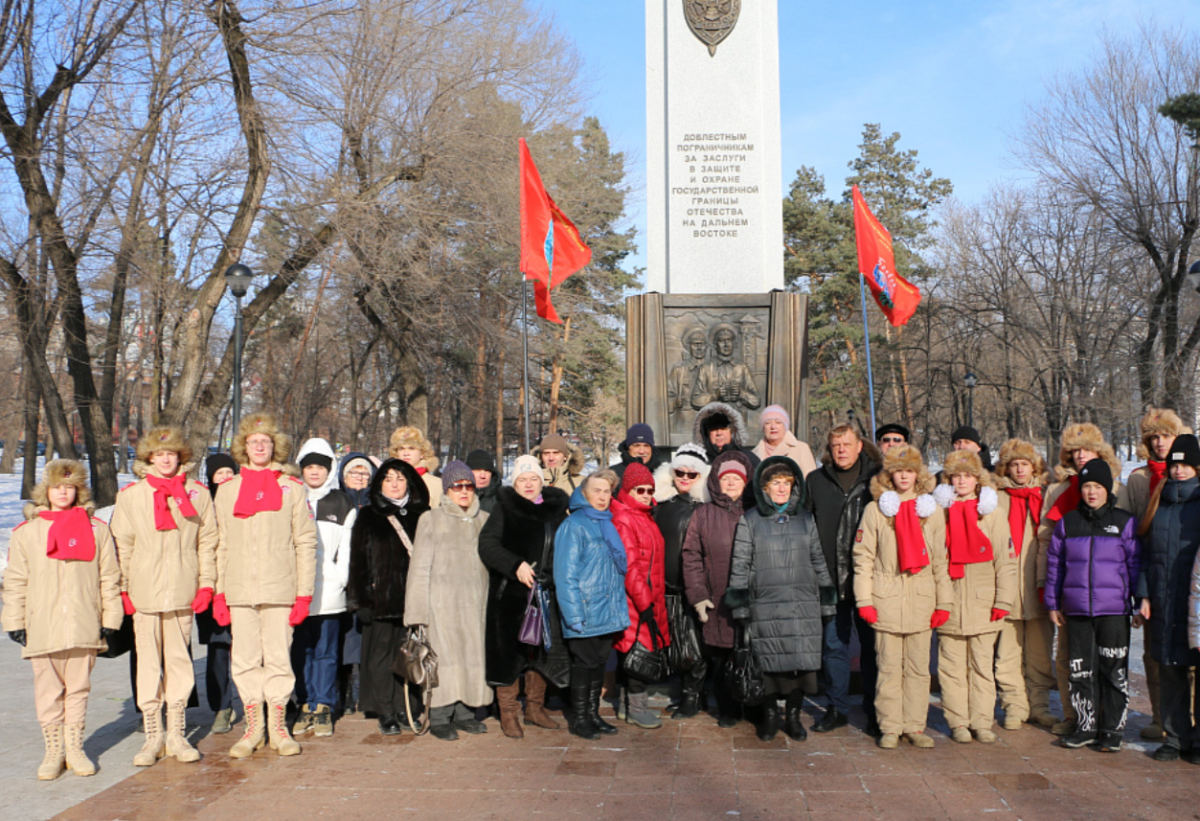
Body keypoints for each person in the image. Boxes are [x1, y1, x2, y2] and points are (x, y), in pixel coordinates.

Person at [3, 460, 122, 780]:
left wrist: (111, 615)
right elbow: (15, 580)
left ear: (79, 491)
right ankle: (53, 751)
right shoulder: (27, 533)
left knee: (79, 689)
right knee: (48, 690)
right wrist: (13, 620)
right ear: (47, 491)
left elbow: (109, 577)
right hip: (42, 624)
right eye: (57, 487)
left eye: (69, 487)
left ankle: (75, 748)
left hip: (84, 621)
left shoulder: (97, 529)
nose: (63, 492)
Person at [110, 426, 217, 766]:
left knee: (179, 665)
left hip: (183, 593)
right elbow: (121, 546)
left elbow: (208, 543)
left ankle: (176, 733)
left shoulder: (197, 494)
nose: (166, 458)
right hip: (144, 594)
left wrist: (206, 585)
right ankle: (153, 733)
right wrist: (124, 589)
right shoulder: (131, 496)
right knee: (148, 665)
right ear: (149, 457)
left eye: (172, 453)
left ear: (180, 457)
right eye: (159, 453)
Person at [212, 412, 318, 758]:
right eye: (253, 442)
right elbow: (221, 543)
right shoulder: (228, 491)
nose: (259, 446)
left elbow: (304, 542)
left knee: (277, 658)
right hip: (240, 589)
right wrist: (219, 592)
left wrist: (303, 593)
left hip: (279, 589)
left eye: (266, 441)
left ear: (275, 447)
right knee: (243, 660)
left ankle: (277, 727)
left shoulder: (291, 489)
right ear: (244, 448)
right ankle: (253, 727)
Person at [726, 456, 834, 742]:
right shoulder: (750, 520)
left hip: (802, 604)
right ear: (765, 487)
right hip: (766, 603)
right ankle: (770, 716)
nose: (782, 489)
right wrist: (740, 605)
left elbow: (818, 559)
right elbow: (740, 564)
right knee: (769, 664)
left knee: (800, 664)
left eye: (787, 483)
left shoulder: (806, 519)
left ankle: (795, 717)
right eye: (776, 483)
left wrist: (826, 599)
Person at [854, 444, 949, 749]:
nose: (904, 477)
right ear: (890, 474)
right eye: (898, 471)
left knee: (919, 669)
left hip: (921, 599)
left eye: (909, 470)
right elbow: (863, 557)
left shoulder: (930, 511)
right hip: (886, 600)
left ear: (917, 473)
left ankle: (915, 725)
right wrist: (864, 600)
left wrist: (943, 602)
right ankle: (891, 726)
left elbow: (939, 560)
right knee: (889, 667)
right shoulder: (876, 510)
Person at [1037, 423, 1125, 736]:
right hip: (1069, 589)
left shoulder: (1116, 489)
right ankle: (1076, 715)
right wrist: (1045, 587)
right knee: (1069, 658)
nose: (1080, 456)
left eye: (1086, 449)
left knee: (1106, 660)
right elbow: (1047, 542)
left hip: (1107, 594)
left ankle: (1106, 721)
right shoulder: (1057, 491)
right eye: (1074, 452)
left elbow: (1129, 543)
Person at [1045, 458, 1139, 752]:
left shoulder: (1124, 522)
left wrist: (1138, 603)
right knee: (1081, 671)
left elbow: (1135, 564)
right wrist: (1052, 602)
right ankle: (1086, 725)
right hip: (1077, 610)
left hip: (1114, 610)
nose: (1091, 492)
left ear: (1107, 489)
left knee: (1113, 670)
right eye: (1086, 486)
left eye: (1097, 486)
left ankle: (1112, 729)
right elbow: (1054, 566)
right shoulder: (1068, 523)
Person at [477, 454, 571, 738]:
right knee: (510, 655)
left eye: (533, 479)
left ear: (542, 481)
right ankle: (509, 712)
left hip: (546, 592)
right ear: (514, 483)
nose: (529, 484)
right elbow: (488, 545)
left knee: (540, 653)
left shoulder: (555, 512)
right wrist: (514, 564)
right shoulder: (504, 509)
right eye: (522, 479)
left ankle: (535, 708)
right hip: (512, 596)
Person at [405, 461, 491, 740]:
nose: (464, 491)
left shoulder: (484, 520)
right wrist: (417, 612)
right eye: (457, 486)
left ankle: (466, 713)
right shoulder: (431, 519)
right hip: (441, 605)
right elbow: (419, 568)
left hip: (478, 604)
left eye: (468, 486)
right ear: (447, 490)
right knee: (442, 659)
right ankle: (440, 715)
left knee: (473, 656)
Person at [934, 451, 1015, 744]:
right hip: (951, 600)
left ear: (977, 479)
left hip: (984, 602)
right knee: (952, 669)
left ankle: (982, 722)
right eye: (956, 476)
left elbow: (1006, 561)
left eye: (967, 475)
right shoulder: (938, 511)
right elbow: (935, 559)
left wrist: (1003, 600)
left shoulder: (991, 512)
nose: (962, 481)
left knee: (982, 667)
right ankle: (957, 722)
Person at [806, 424, 882, 735]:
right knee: (833, 647)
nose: (841, 450)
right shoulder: (816, 480)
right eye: (836, 445)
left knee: (872, 648)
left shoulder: (877, 480)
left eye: (847, 444)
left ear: (859, 446)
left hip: (869, 581)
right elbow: (807, 527)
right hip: (830, 579)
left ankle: (875, 708)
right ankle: (837, 707)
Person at [346, 458, 430, 735]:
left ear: (410, 482)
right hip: (380, 601)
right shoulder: (370, 515)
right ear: (380, 483)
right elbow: (357, 561)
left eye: (400, 479)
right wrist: (361, 601)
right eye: (388, 479)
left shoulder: (423, 514)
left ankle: (406, 707)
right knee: (380, 657)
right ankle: (386, 711)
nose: (394, 484)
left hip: (414, 601)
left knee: (409, 655)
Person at [554, 471, 630, 740]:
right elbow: (565, 573)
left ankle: (594, 713)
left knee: (599, 662)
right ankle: (580, 718)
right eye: (596, 490)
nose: (602, 496)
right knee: (584, 664)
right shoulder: (574, 525)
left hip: (606, 610)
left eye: (607, 491)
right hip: (584, 610)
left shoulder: (606, 523)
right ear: (583, 493)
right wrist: (573, 614)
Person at [1139, 433, 1200, 762]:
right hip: (1163, 596)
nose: (1179, 471)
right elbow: (1145, 554)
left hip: (1195, 601)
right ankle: (1175, 738)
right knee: (1171, 669)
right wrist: (1144, 593)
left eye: (1185, 465)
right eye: (1175, 465)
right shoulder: (1158, 501)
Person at [291, 438, 356, 738]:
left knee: (326, 651)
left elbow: (346, 547)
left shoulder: (340, 502)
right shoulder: (290, 496)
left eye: (320, 467)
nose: (314, 472)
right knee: (300, 650)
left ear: (329, 469)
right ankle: (305, 702)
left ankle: (324, 706)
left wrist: (340, 578)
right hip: (295, 591)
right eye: (309, 467)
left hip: (329, 589)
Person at [1126, 408, 1185, 741]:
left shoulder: (1193, 473)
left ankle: (1186, 719)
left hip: (1187, 574)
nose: (1160, 442)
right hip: (1151, 570)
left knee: (1189, 648)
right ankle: (1160, 716)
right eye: (1154, 437)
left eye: (1165, 436)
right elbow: (1135, 531)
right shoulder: (1138, 479)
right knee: (1153, 651)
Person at [681, 451, 752, 726]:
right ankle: (728, 709)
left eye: (737, 478)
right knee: (723, 657)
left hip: (751, 596)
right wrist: (698, 596)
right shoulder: (703, 514)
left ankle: (754, 705)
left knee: (749, 652)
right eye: (726, 478)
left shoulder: (754, 512)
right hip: (717, 596)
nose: (731, 483)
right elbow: (691, 555)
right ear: (716, 482)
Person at [992, 439, 1056, 730]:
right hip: (1006, 589)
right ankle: (1014, 705)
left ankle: (1039, 704)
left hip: (1038, 585)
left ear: (1035, 466)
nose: (1019, 469)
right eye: (1014, 464)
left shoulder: (1045, 495)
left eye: (1025, 464)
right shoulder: (995, 496)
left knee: (1040, 654)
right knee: (1007, 654)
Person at [611, 462, 671, 729]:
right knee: (639, 655)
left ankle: (625, 707)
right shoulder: (625, 518)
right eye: (640, 490)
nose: (647, 495)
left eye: (650, 490)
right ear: (628, 491)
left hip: (648, 597)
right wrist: (645, 603)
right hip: (635, 601)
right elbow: (630, 567)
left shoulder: (644, 515)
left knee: (634, 652)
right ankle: (638, 708)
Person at [653, 442, 710, 719]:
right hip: (668, 587)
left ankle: (694, 697)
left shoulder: (706, 507)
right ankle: (690, 694)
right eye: (680, 472)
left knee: (694, 647)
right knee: (678, 645)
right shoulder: (661, 504)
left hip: (696, 588)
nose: (685, 478)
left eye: (692, 474)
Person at [198, 454, 239, 734]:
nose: (224, 477)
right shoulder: (202, 504)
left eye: (229, 472)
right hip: (212, 586)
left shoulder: (243, 499)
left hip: (241, 582)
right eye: (218, 473)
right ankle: (222, 707)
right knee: (218, 647)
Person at [335, 451, 375, 715]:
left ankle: (368, 692)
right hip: (340, 580)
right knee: (343, 638)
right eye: (354, 472)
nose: (359, 478)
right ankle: (344, 690)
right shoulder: (336, 501)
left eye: (364, 473)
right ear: (343, 476)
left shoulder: (376, 503)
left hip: (370, 579)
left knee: (367, 639)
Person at [690, 323, 762, 411]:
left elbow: (757, 401)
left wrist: (741, 394)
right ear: (715, 344)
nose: (726, 344)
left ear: (733, 343)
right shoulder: (706, 369)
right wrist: (714, 396)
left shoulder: (742, 368)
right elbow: (695, 401)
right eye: (722, 340)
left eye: (729, 340)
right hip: (713, 420)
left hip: (737, 420)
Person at [752, 405, 816, 477]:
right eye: (767, 423)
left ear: (785, 427)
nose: (773, 427)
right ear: (763, 428)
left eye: (778, 422)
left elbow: (811, 480)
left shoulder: (801, 449)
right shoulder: (754, 454)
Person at [693, 401, 760, 468]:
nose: (719, 433)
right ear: (707, 433)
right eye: (714, 429)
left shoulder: (747, 458)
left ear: (733, 431)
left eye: (723, 428)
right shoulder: (698, 459)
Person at [389, 426, 442, 505]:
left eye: (411, 448)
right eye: (401, 448)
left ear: (422, 453)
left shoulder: (437, 484)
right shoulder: (388, 481)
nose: (406, 453)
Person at [467, 449, 501, 514]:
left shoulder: (502, 499)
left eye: (487, 470)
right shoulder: (458, 497)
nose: (482, 476)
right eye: (477, 470)